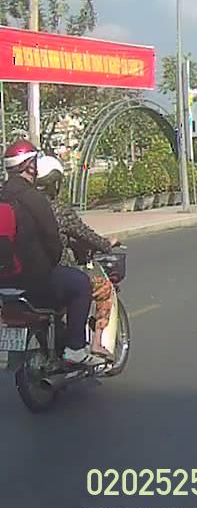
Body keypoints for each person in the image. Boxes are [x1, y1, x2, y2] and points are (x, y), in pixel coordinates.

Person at [0, 140, 100, 366]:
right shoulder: (34, 198)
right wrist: (51, 262)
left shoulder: (2, 195)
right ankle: (76, 348)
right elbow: (52, 240)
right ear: (29, 166)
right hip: (34, 281)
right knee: (80, 283)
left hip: (4, 282)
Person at [34, 156, 119, 359]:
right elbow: (85, 234)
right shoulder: (59, 209)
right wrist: (107, 244)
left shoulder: (25, 207)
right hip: (57, 274)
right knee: (103, 288)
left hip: (26, 278)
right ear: (56, 183)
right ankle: (93, 344)